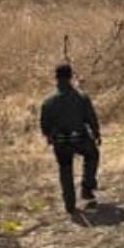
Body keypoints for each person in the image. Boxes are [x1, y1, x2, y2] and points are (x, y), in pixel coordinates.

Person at [39, 63, 100, 216]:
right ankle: (87, 186)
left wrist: (49, 137)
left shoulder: (48, 101)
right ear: (71, 76)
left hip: (60, 142)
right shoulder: (81, 97)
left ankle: (69, 204)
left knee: (65, 169)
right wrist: (96, 133)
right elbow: (91, 118)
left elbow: (44, 125)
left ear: (56, 78)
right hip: (80, 139)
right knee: (92, 155)